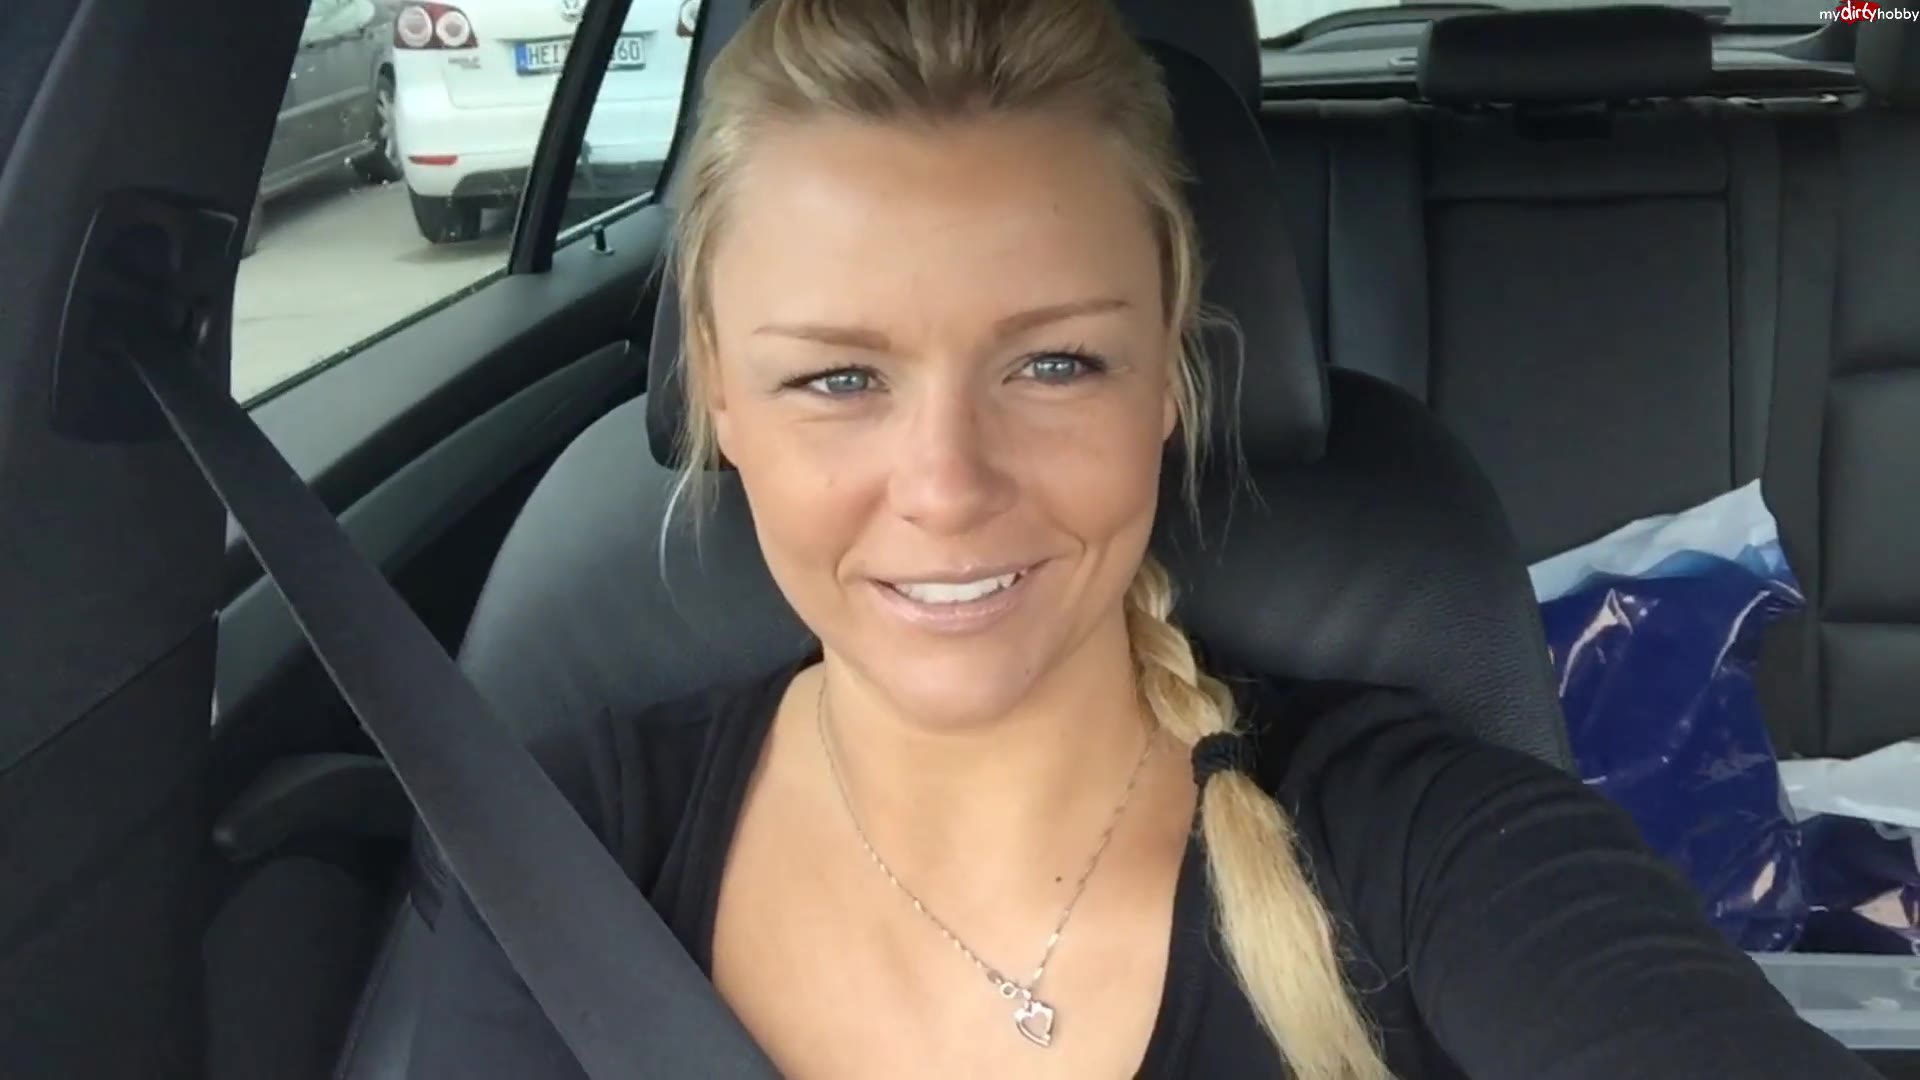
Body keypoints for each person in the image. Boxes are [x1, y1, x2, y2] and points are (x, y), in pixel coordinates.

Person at [407, 1, 1880, 1077]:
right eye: (837, 380)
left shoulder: (1419, 842)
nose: (947, 486)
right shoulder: (563, 858)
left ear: (1169, 373)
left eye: (1055, 364)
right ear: (720, 397)